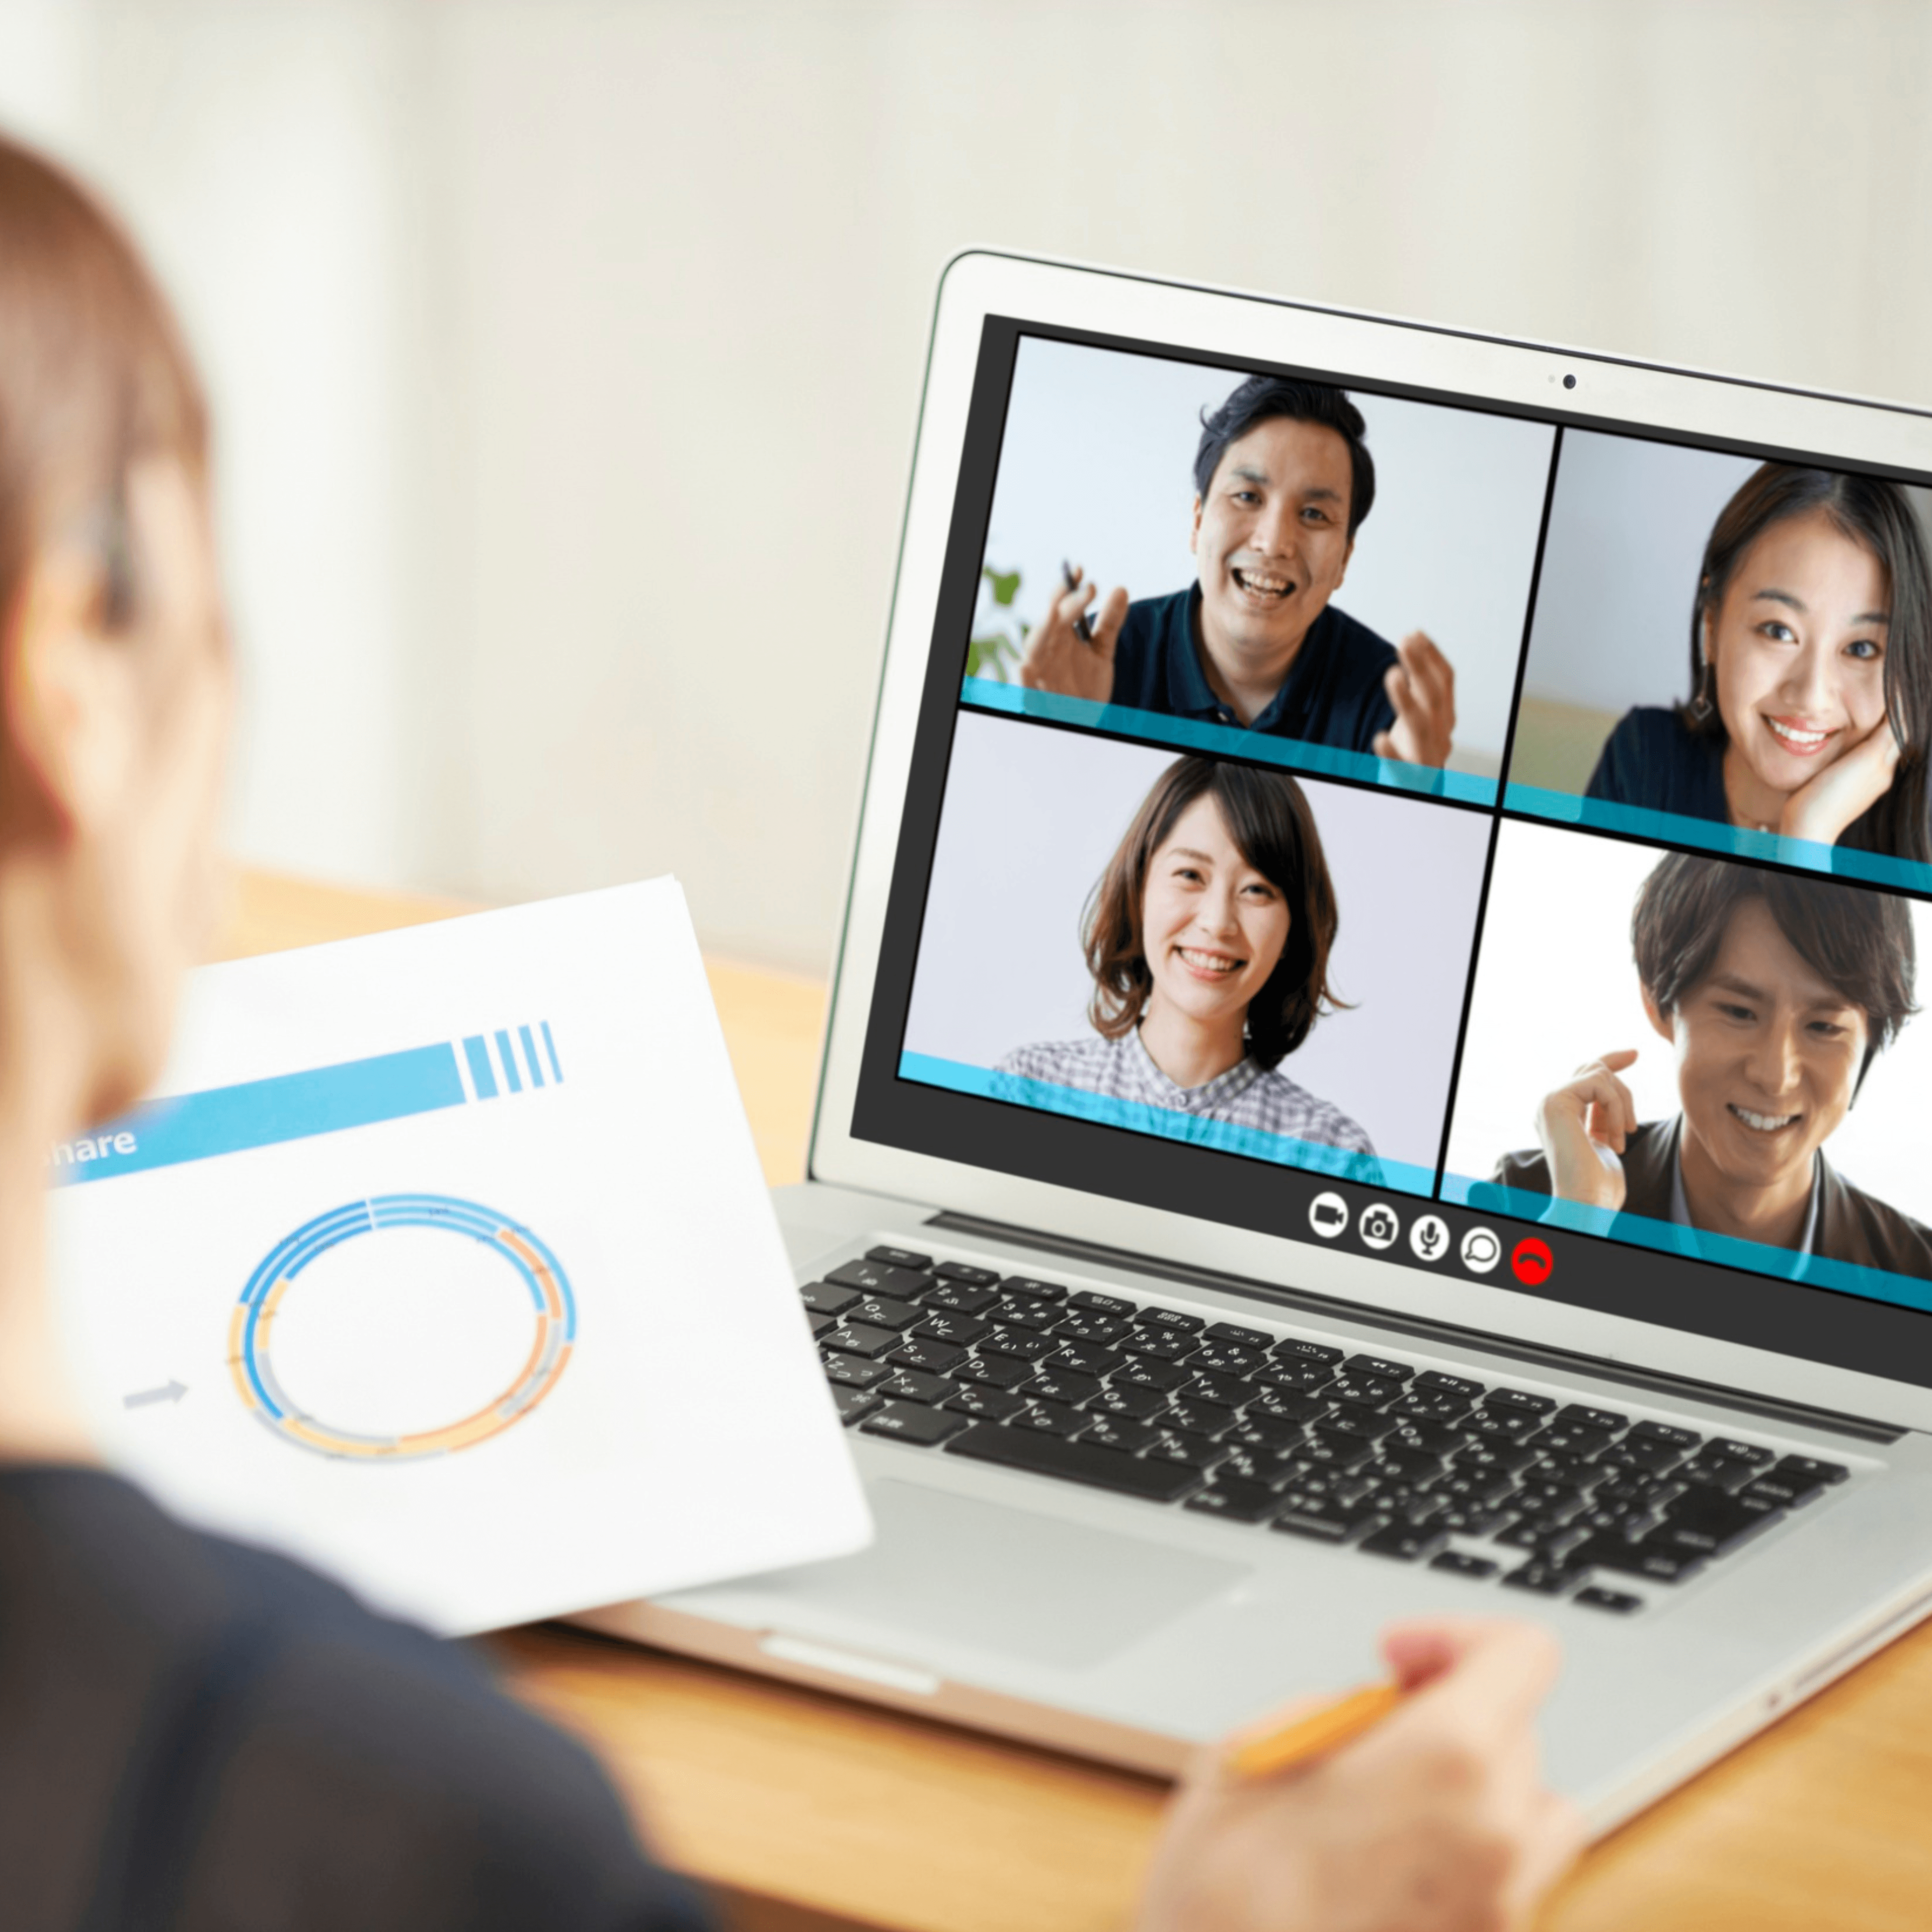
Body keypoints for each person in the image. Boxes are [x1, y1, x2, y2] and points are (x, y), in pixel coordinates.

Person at [0, 133, 1582, 1928]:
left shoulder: (1379, 755)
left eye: (1319, 514)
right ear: (74, 681)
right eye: (209, 612)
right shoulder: (427, 1834)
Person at [1493, 852, 1932, 1276]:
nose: (1775, 1077)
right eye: (1740, 1012)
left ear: (1870, 1041)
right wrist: (1576, 1230)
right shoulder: (1531, 1204)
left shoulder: (1918, 1274)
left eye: (1823, 1027)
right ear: (1659, 1002)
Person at [1014, 375, 1459, 769]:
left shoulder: (1391, 702)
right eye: (1247, 496)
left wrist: (1417, 800)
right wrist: (1060, 744)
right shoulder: (1099, 665)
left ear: (1344, 559)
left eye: (1313, 514)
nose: (1274, 542)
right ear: (1198, 521)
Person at [997, 756, 1373, 1153]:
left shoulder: (1331, 1151)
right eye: (1191, 875)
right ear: (1139, 888)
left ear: (1293, 931)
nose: (1218, 923)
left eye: (1256, 890)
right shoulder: (1029, 1090)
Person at [1584, 464, 1932, 862]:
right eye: (1778, 631)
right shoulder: (1645, 758)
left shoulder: (1921, 825)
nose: (1812, 697)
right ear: (1712, 625)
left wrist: (1808, 837)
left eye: (1861, 649)